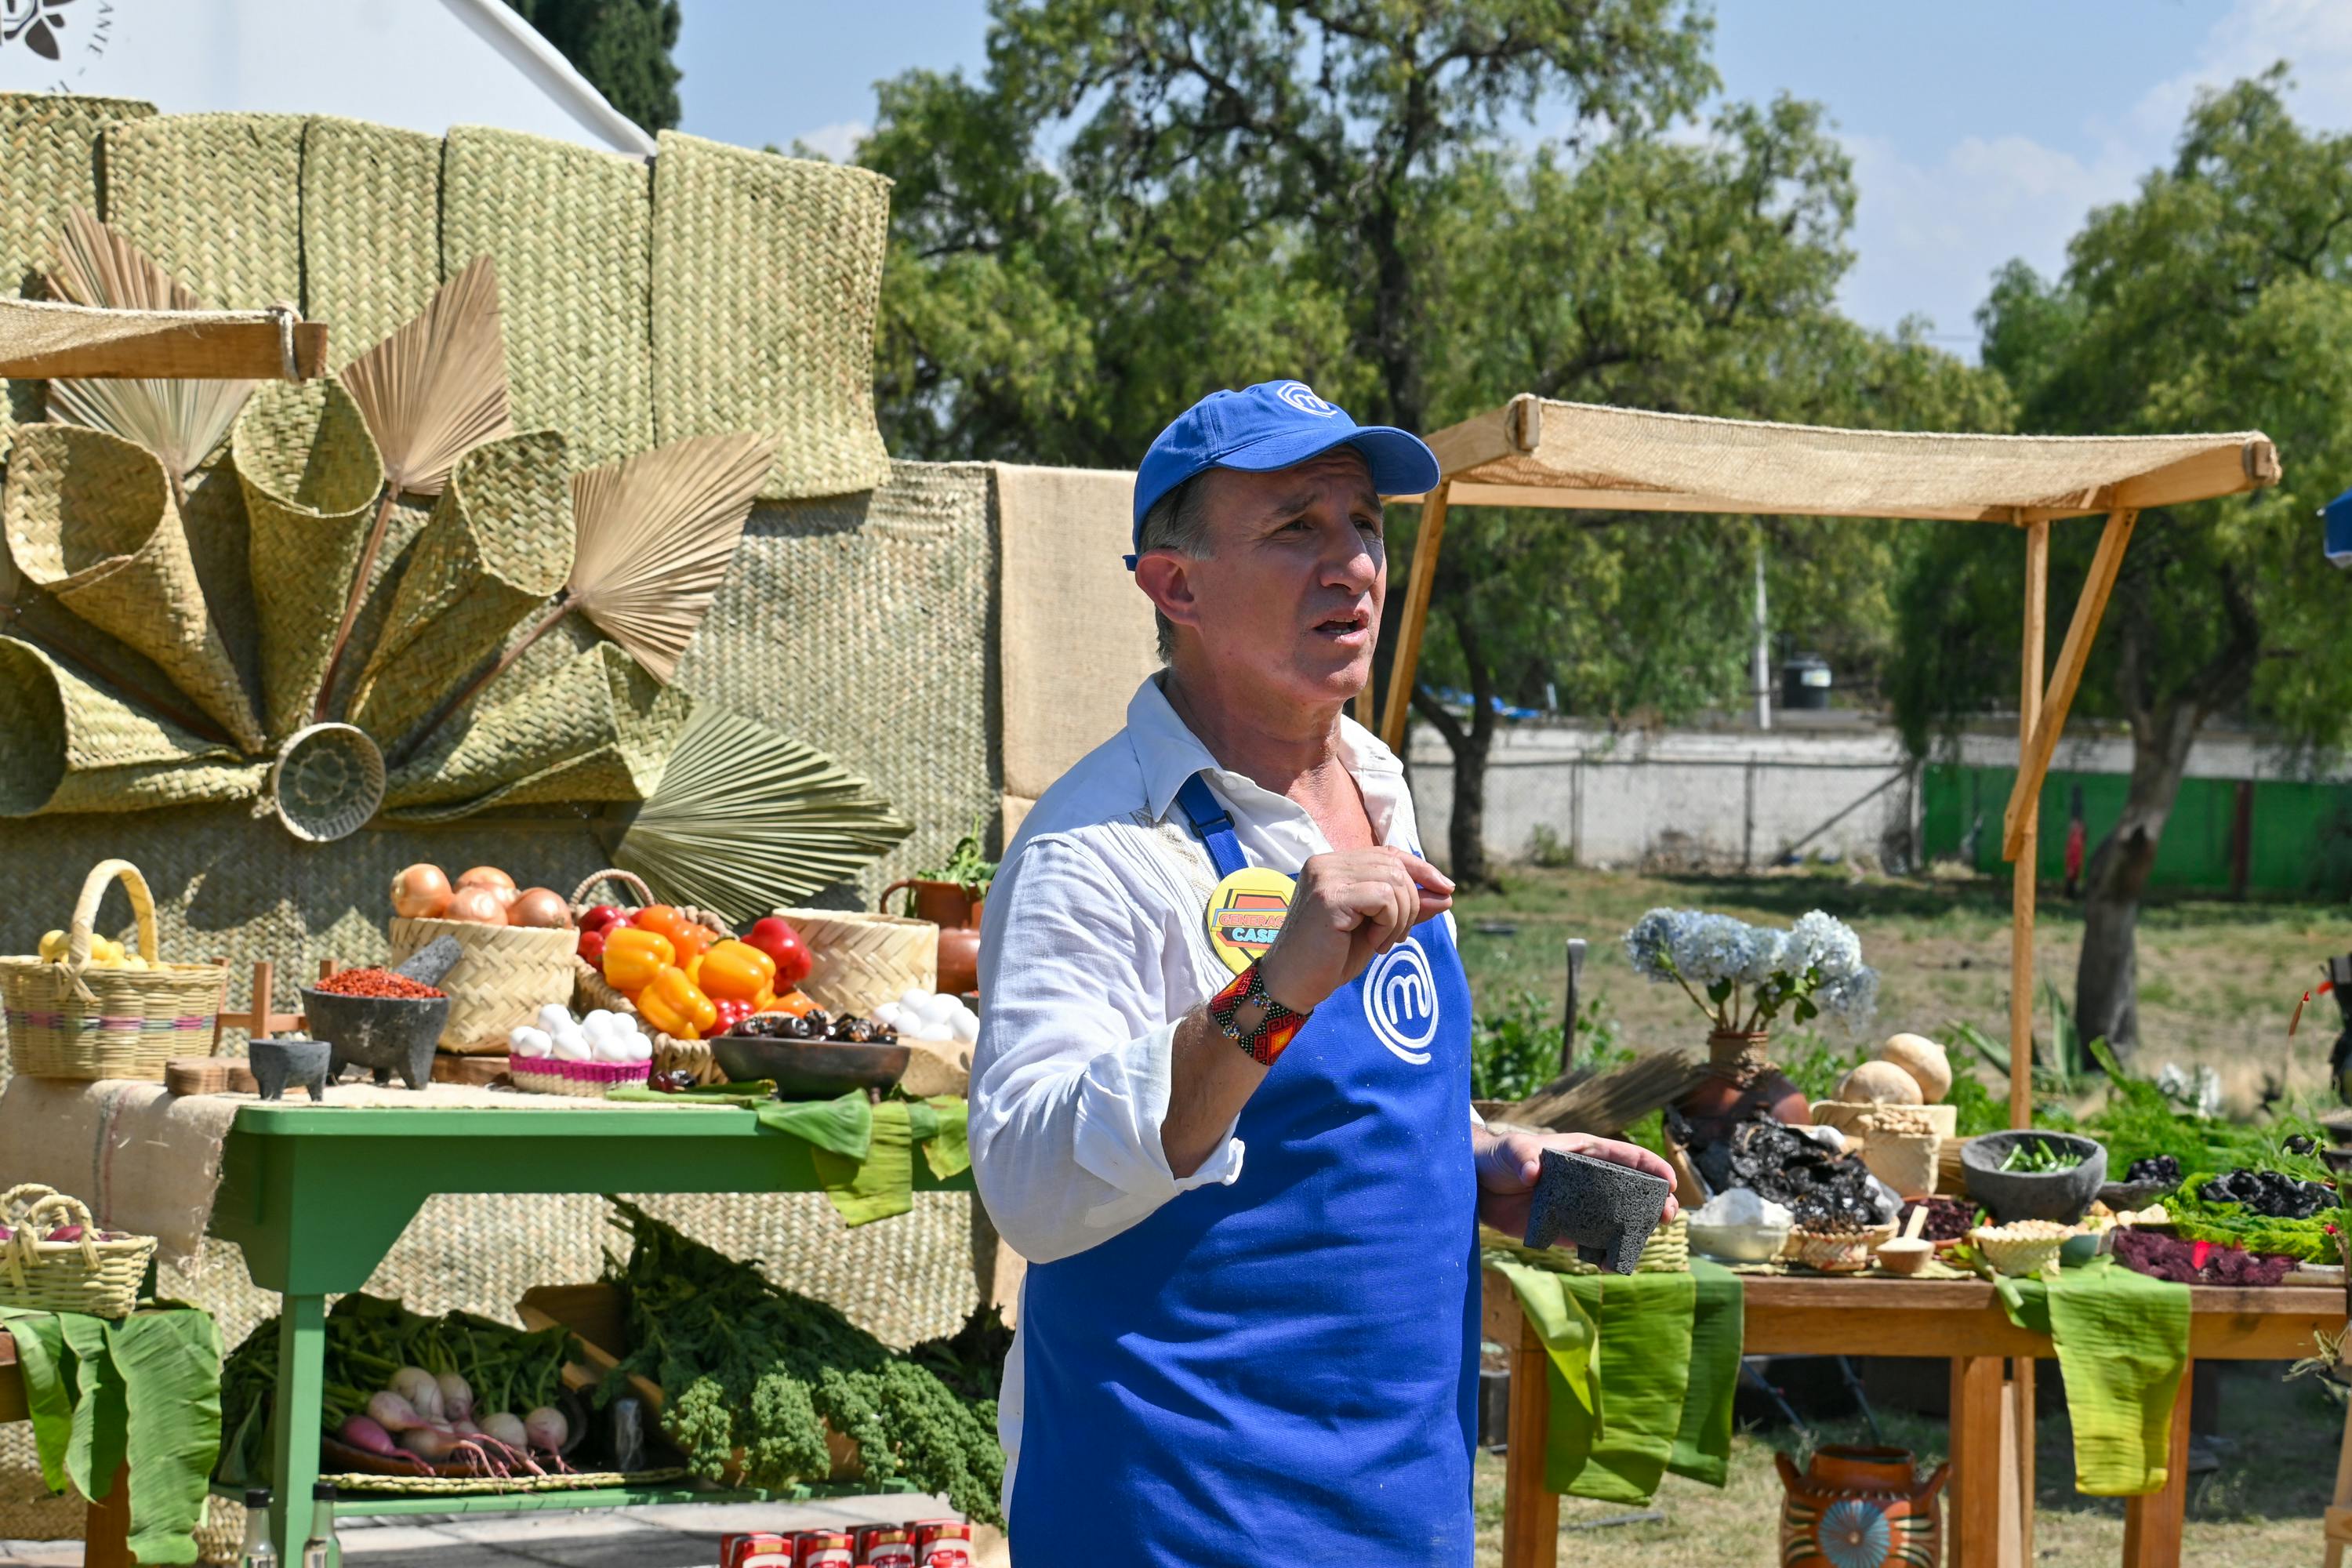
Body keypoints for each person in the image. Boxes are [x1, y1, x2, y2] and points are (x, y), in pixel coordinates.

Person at [970, 379, 1678, 1562]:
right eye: (1297, 527)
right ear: (1175, 584)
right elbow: (1034, 1187)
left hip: (1400, 1497)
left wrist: (1482, 1154)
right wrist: (1272, 992)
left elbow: (1347, 1104)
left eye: (1365, 524)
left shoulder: (1380, 785)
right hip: (1179, 1504)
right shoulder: (1094, 848)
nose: (1351, 563)